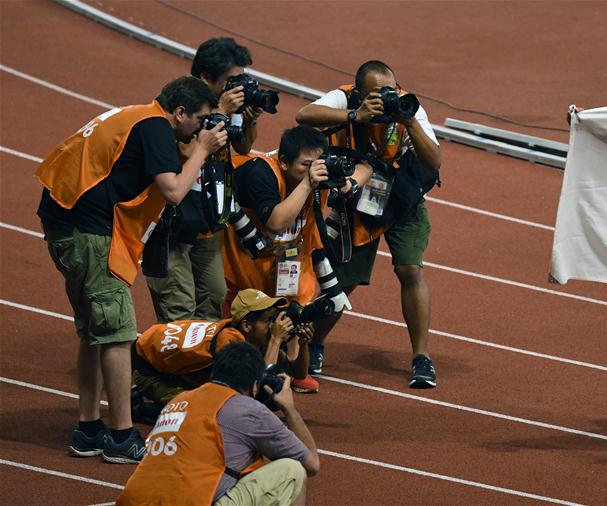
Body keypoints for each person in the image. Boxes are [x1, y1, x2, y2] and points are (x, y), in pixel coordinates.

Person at [36, 75, 227, 463]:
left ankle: (89, 428)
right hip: (90, 234)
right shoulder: (156, 127)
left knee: (94, 333)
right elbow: (174, 191)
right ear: (180, 112)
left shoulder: (139, 116)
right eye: (200, 120)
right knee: (119, 335)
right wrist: (203, 150)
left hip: (68, 225)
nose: (202, 128)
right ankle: (122, 437)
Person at [296, 60, 442, 388]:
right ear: (360, 93)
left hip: (403, 195)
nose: (388, 97)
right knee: (344, 280)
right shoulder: (344, 98)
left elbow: (434, 160)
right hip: (358, 196)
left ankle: (422, 358)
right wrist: (355, 116)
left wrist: (408, 121)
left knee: (411, 270)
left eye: (392, 89)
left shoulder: (408, 106)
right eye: (378, 93)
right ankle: (315, 343)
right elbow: (303, 117)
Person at [222, 126, 370, 392]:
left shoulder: (318, 175)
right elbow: (277, 221)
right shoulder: (262, 173)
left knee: (297, 309)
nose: (314, 170)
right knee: (243, 334)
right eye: (305, 165)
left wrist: (349, 182)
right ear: (284, 161)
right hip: (244, 260)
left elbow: (368, 166)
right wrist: (308, 183)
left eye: (318, 164)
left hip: (289, 258)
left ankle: (294, 365)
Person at [146, 37, 264, 324]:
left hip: (208, 219)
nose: (238, 86)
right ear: (205, 77)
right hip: (173, 225)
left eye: (242, 78)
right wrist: (220, 112)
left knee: (213, 298)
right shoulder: (183, 103)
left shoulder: (228, 105)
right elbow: (185, 150)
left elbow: (244, 148)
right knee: (180, 308)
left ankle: (196, 364)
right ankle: (167, 365)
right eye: (231, 80)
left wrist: (249, 119)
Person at [117, 341, 320, 506]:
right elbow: (311, 464)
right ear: (255, 387)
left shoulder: (179, 400)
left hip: (134, 501)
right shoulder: (248, 409)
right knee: (292, 471)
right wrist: (289, 409)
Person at [132, 288, 315, 413]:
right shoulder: (230, 342)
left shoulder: (256, 337)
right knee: (211, 412)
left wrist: (304, 344)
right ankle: (139, 408)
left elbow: (297, 373)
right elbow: (260, 388)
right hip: (149, 371)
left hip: (165, 363)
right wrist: (276, 339)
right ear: (247, 326)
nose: (274, 325)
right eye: (268, 320)